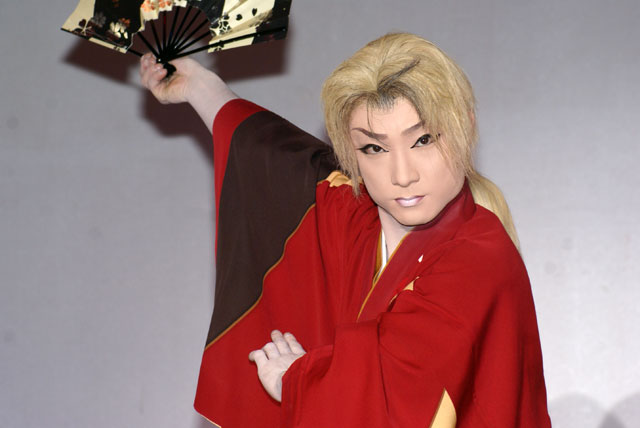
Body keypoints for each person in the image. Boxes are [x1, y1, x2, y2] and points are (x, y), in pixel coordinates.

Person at [140, 33, 551, 427]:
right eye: (374, 148)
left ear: (465, 127)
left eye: (423, 140)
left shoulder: (482, 258)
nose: (402, 174)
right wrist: (198, 85)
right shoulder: (352, 213)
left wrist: (300, 380)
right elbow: (267, 150)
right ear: (351, 155)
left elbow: (401, 383)